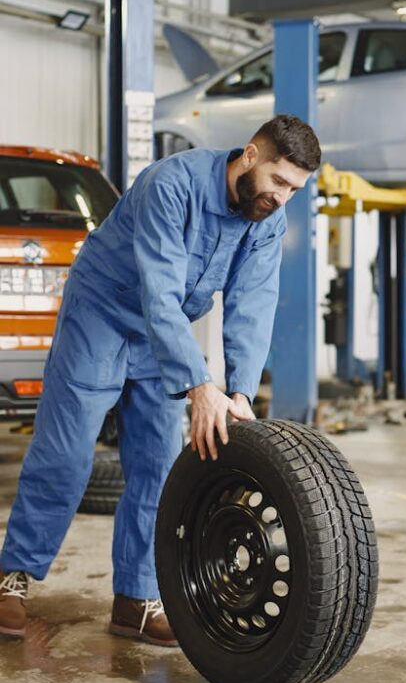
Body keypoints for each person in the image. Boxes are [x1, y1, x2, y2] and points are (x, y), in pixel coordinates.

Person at [0, 114, 321, 645]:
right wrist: (199, 387)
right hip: (101, 317)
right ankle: (14, 577)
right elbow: (160, 291)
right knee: (67, 455)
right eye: (279, 181)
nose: (283, 197)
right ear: (250, 155)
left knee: (156, 464)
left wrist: (238, 390)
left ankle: (135, 598)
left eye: (295, 189)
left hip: (162, 338)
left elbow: (253, 304)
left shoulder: (267, 219)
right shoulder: (171, 185)